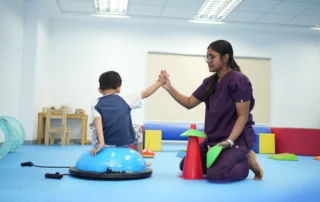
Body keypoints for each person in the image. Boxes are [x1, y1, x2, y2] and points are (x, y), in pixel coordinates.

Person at [159, 40, 263, 181]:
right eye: (206, 56)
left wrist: (229, 142)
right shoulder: (209, 82)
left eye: (211, 56)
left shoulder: (239, 80)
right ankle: (225, 160)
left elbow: (242, 116)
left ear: (225, 58)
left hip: (237, 139)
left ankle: (246, 159)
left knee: (216, 175)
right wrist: (169, 87)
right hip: (214, 140)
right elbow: (189, 103)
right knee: (186, 165)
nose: (207, 60)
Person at [90, 71, 165, 167]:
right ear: (118, 88)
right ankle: (141, 159)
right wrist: (160, 82)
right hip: (124, 142)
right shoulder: (126, 98)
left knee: (94, 130)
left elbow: (97, 120)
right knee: (138, 128)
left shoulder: (96, 103)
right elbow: (146, 93)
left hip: (105, 144)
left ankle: (98, 154)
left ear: (100, 90)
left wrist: (101, 143)